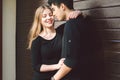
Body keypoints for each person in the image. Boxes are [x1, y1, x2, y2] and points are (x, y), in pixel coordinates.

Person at [27, 5, 81, 80]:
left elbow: (77, 19)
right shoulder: (36, 41)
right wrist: (57, 66)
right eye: (44, 16)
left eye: (50, 15)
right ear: (39, 20)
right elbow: (36, 66)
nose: (48, 18)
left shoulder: (62, 30)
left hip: (59, 77)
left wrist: (79, 12)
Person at [48, 0, 91, 80]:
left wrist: (53, 79)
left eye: (53, 10)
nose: (53, 14)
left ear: (62, 6)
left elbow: (71, 61)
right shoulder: (83, 21)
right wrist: (80, 13)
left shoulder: (71, 25)